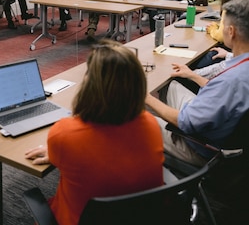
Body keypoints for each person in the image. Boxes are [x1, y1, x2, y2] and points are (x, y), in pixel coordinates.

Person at [25, 40, 164, 225]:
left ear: (89, 85)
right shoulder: (152, 124)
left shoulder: (64, 134)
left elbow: (75, 152)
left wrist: (56, 152)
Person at [145, 0, 249, 165]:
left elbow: (184, 122)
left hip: (204, 147)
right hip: (240, 137)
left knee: (135, 119)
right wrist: (192, 75)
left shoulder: (230, 81)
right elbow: (226, 95)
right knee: (170, 85)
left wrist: (145, 97)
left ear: (231, 31)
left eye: (222, 24)